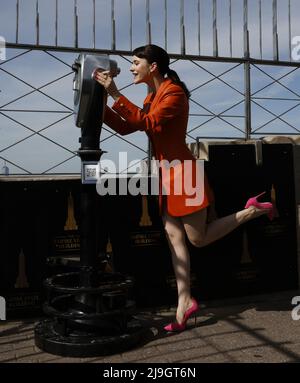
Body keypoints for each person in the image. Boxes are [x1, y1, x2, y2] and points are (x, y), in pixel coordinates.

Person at [93, 44, 274, 332]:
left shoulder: (174, 93)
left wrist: (115, 93)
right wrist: (98, 102)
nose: (130, 68)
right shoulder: (153, 95)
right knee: (175, 241)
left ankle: (251, 211)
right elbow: (128, 126)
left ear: (152, 66)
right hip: (166, 176)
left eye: (135, 62)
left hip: (185, 175)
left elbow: (147, 122)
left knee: (197, 239)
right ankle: (184, 303)